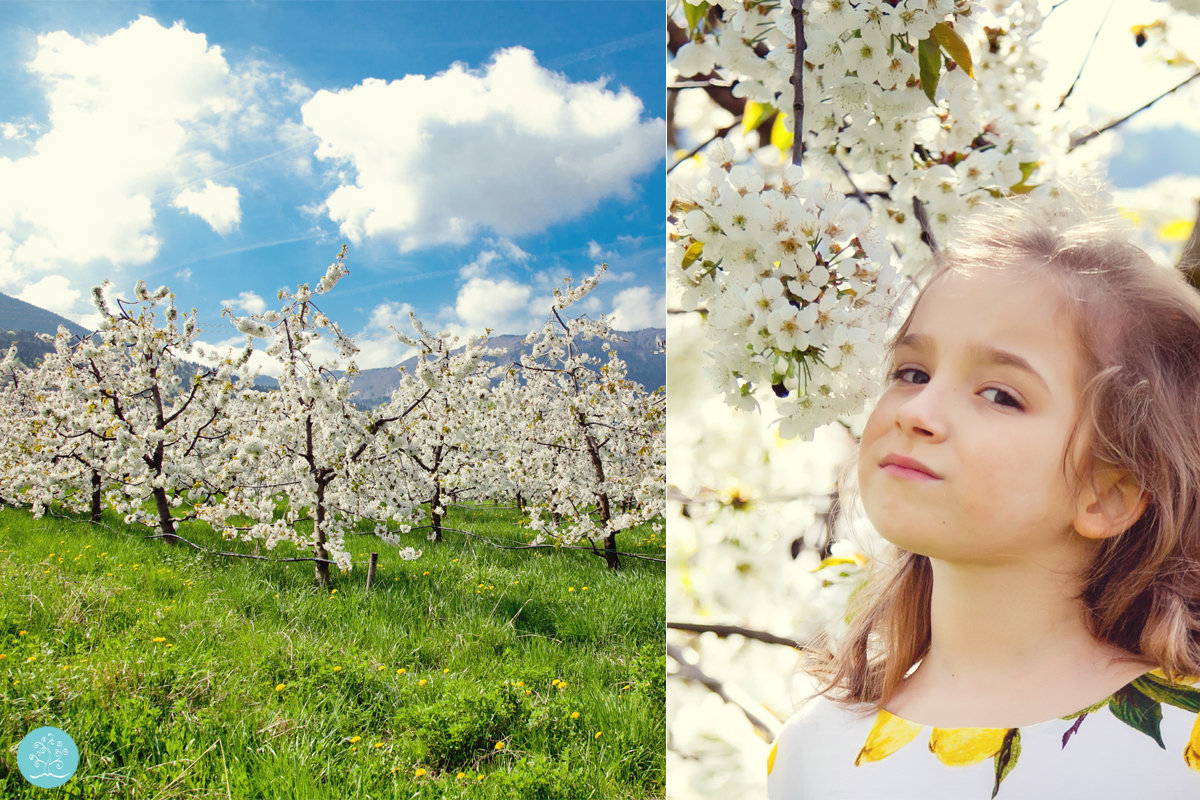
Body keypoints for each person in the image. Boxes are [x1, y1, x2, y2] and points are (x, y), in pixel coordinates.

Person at [766, 187, 1200, 799]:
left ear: (1108, 493)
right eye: (911, 373)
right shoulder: (813, 748)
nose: (919, 411)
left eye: (1000, 394)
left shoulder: (1181, 750)